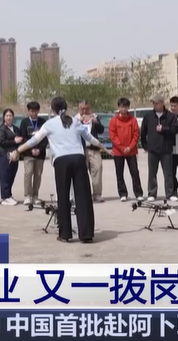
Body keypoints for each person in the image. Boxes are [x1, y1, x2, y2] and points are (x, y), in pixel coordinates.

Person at [10, 96, 106, 243]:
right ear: (66, 108)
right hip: (78, 159)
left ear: (52, 109)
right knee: (83, 197)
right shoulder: (75, 121)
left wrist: (17, 151)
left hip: (62, 162)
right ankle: (86, 234)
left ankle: (65, 234)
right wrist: (104, 148)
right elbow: (90, 138)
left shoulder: (49, 124)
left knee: (63, 196)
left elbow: (34, 140)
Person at [140, 94, 178, 202]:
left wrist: (164, 129)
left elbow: (175, 129)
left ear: (162, 103)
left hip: (166, 149)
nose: (155, 105)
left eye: (156, 103)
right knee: (152, 173)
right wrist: (145, 146)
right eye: (153, 103)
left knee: (168, 173)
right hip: (153, 150)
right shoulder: (148, 116)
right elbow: (143, 132)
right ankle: (152, 193)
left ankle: (170, 193)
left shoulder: (170, 116)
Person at [109, 97, 143, 202]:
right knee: (119, 173)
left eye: (125, 107)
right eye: (121, 107)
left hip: (131, 151)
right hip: (118, 152)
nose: (123, 109)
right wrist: (122, 147)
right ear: (118, 107)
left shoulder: (133, 120)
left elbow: (136, 135)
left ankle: (138, 193)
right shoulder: (114, 121)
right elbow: (113, 136)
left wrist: (130, 147)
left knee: (135, 172)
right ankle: (123, 193)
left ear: (128, 108)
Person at [18, 101, 48, 206]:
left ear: (38, 111)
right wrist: (31, 149)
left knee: (38, 174)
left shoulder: (43, 122)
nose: (34, 113)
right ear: (28, 111)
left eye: (35, 111)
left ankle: (35, 196)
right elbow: (23, 137)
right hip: (28, 153)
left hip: (40, 153)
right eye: (31, 111)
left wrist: (40, 149)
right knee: (28, 173)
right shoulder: (24, 122)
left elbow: (45, 138)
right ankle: (28, 195)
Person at [75, 101, 106, 203]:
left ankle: (97, 194)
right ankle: (82, 195)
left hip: (94, 149)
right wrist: (79, 121)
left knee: (97, 169)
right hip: (81, 150)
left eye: (87, 109)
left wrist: (96, 122)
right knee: (81, 173)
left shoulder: (94, 117)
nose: (84, 111)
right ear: (79, 109)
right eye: (82, 109)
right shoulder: (75, 119)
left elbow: (101, 130)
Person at [0, 108, 24, 206]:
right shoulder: (1, 129)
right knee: (5, 177)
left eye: (10, 116)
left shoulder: (16, 129)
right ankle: (5, 197)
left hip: (15, 156)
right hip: (5, 155)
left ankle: (9, 195)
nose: (9, 118)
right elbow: (1, 141)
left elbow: (20, 140)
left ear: (13, 117)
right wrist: (14, 141)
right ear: (4, 117)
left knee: (11, 176)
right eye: (7, 116)